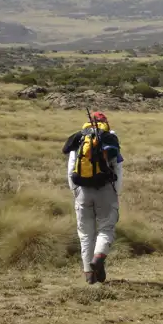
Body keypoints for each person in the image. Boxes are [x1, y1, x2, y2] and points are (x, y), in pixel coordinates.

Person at [62, 111, 123, 284]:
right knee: (106, 228)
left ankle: (89, 274)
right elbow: (118, 168)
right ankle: (98, 258)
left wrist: (75, 190)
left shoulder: (80, 138)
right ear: (105, 123)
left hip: (82, 190)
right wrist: (116, 192)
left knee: (85, 234)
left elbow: (71, 167)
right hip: (105, 190)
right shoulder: (110, 138)